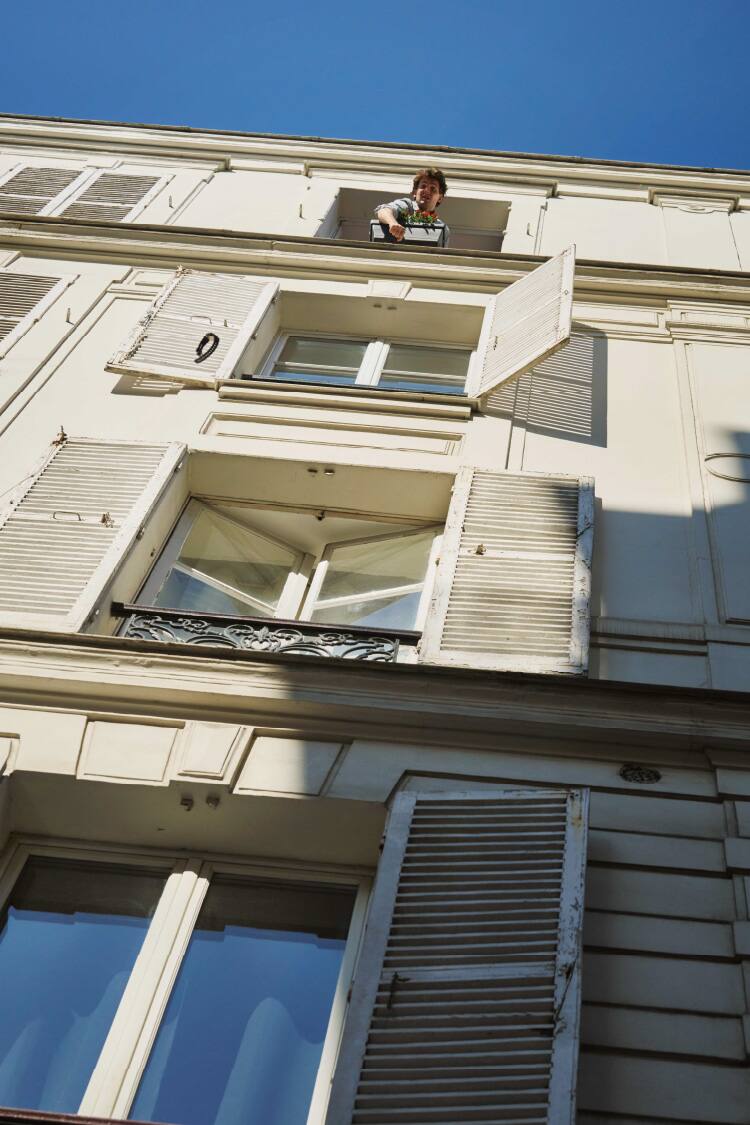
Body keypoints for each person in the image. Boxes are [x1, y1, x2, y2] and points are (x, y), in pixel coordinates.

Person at [375, 168, 450, 245]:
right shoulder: (407, 205)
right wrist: (392, 223)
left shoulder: (442, 228)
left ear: (440, 198)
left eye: (433, 188)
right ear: (415, 192)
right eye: (423, 186)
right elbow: (383, 211)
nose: (427, 190)